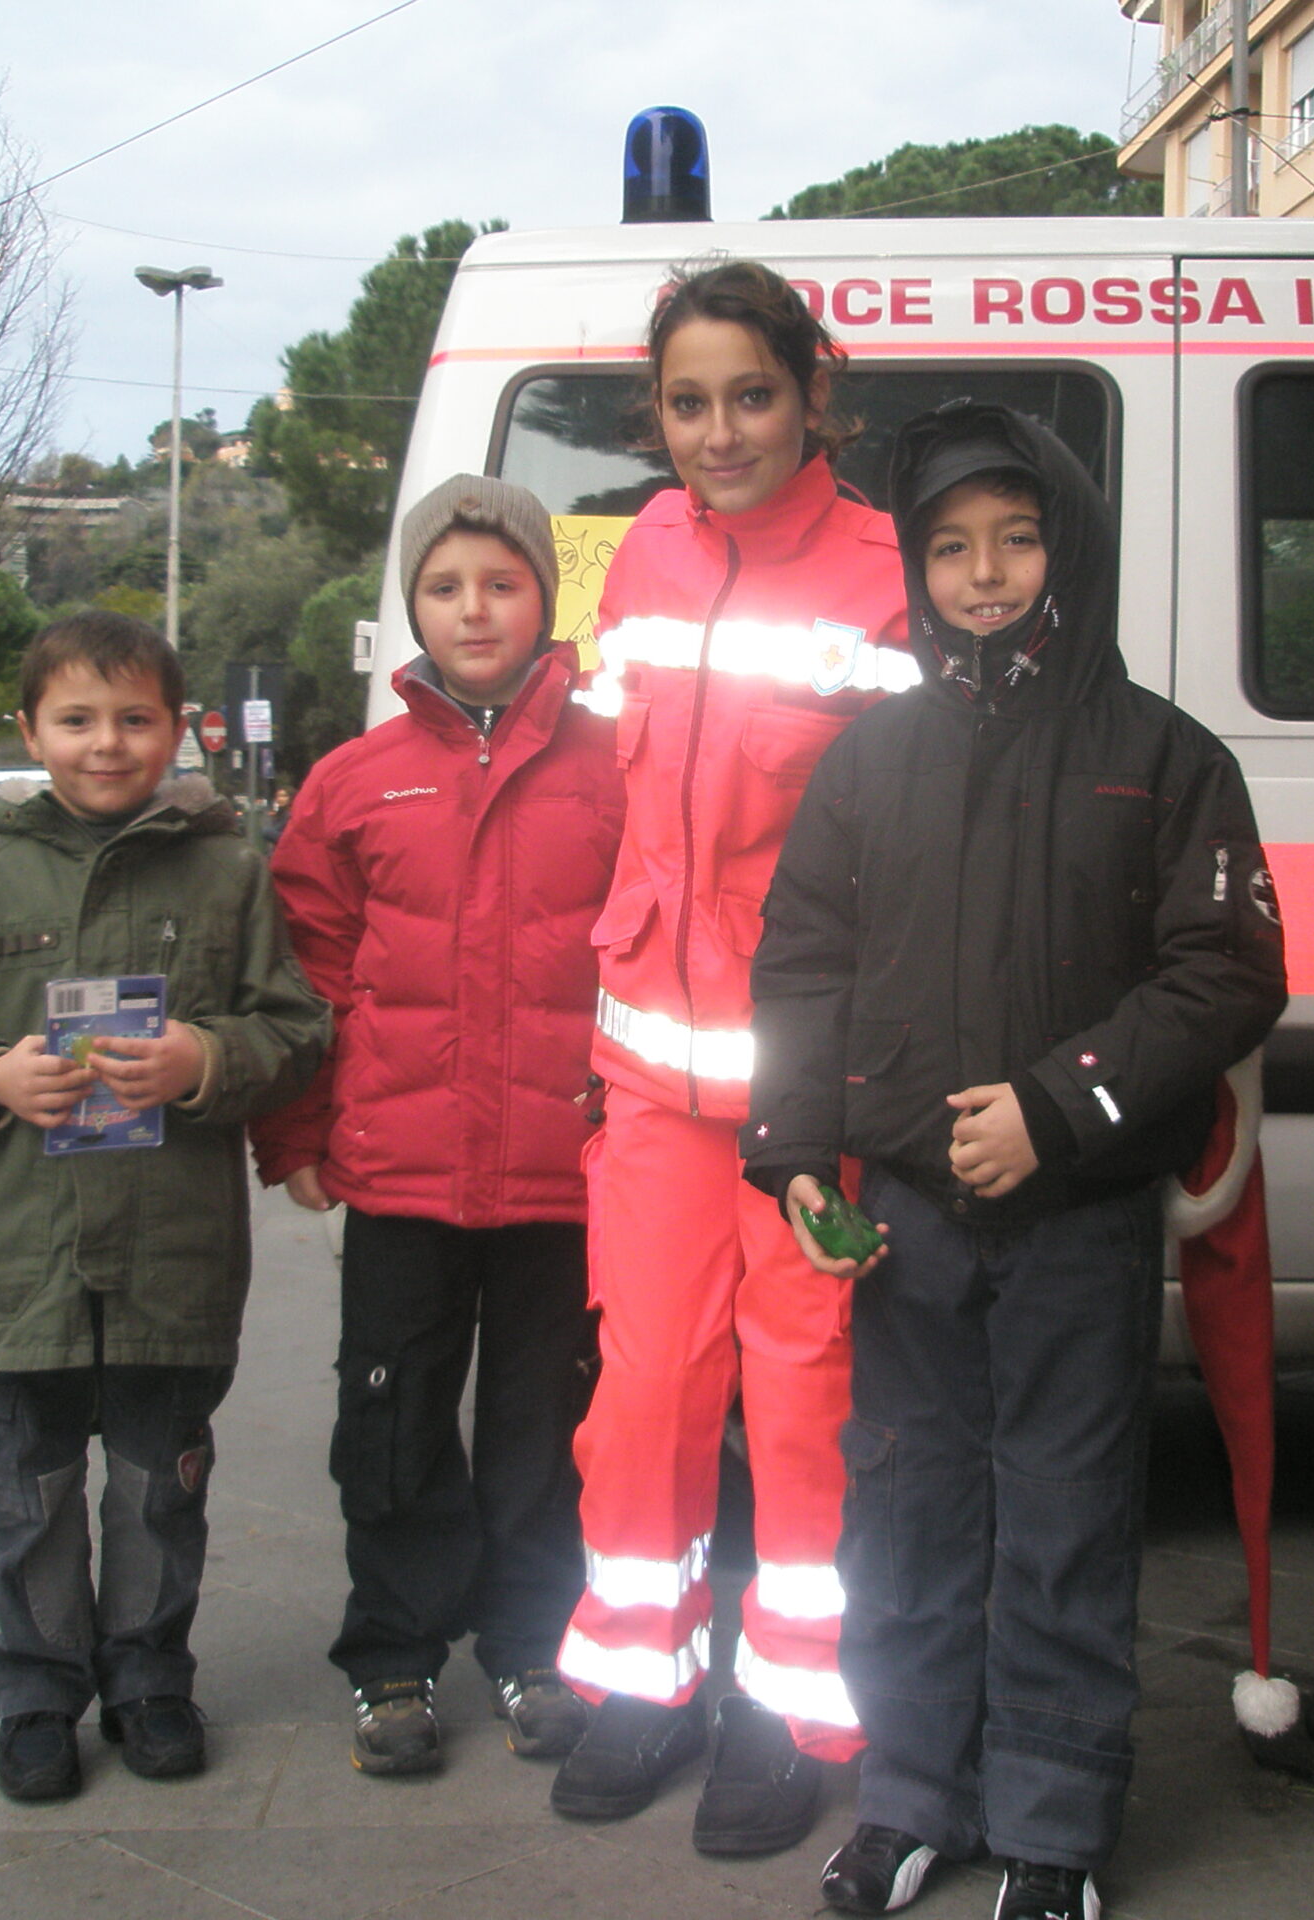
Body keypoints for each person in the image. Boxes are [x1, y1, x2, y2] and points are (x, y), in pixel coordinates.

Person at [744, 402, 1289, 1920]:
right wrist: (796, 1155)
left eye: (1018, 538)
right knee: (905, 1514)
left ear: (1072, 549)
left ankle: (1053, 1829)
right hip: (907, 1220)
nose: (983, 574)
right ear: (917, 571)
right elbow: (802, 965)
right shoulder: (869, 760)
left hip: (1080, 1219)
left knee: (1065, 1516)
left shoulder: (1164, 756)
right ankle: (911, 1798)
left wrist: (1058, 1106)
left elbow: (1229, 970)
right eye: (950, 548)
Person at [551, 259, 913, 1856]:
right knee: (643, 1395)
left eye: (752, 395)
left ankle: (792, 1708)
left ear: (814, 391)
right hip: (650, 1079)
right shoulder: (637, 551)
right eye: (688, 403)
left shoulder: (891, 575)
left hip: (814, 1097)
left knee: (808, 1401)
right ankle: (646, 1677)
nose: (721, 431)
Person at [0, 611, 331, 1806]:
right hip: (22, 1252)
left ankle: (148, 1677)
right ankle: (37, 1692)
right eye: (76, 719)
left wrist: (203, 1058)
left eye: (135, 718)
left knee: (157, 1484)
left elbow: (293, 1026)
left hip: (173, 1253)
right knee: (23, 1490)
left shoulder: (227, 869)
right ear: (30, 731)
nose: (107, 742)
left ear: (178, 729)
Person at [251, 475, 624, 1778]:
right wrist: (296, 1134)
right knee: (392, 1423)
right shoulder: (353, 783)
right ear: (412, 604)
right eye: (446, 585)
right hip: (400, 1179)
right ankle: (393, 1655)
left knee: (544, 1432)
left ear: (545, 600)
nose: (475, 608)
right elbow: (308, 972)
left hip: (563, 1179)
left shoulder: (615, 767)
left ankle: (533, 1644)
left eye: (502, 582)